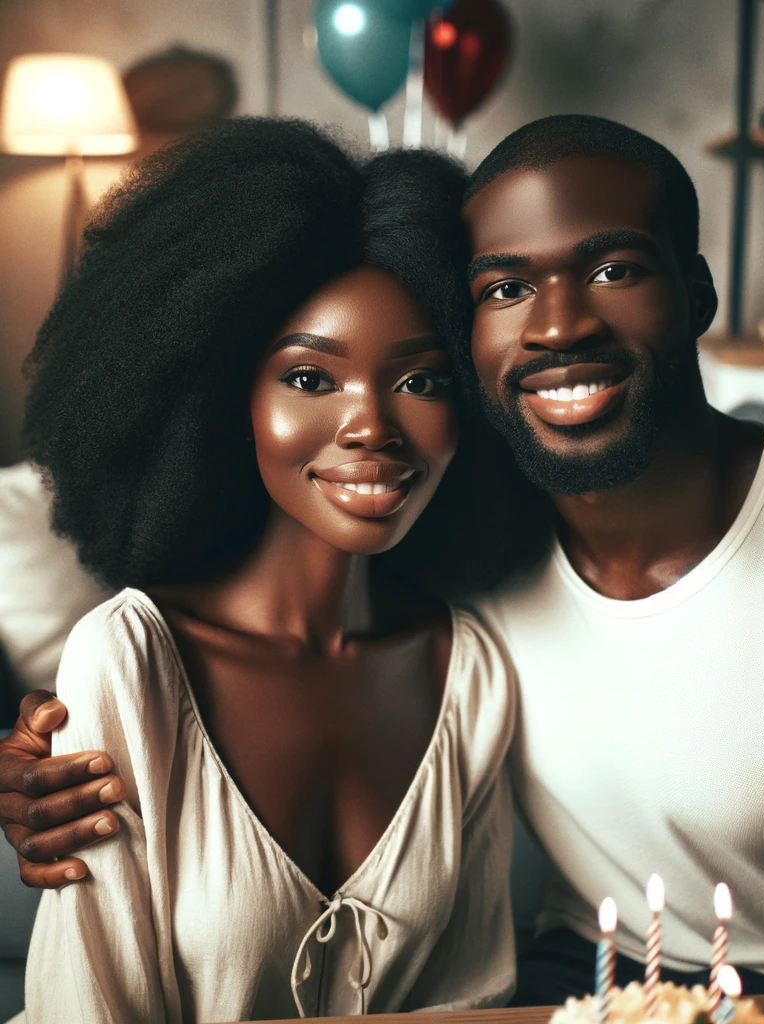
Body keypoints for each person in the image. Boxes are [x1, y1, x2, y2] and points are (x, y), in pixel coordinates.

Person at [4, 115, 764, 1000]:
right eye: (503, 286)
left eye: (615, 269)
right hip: (566, 977)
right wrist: (48, 774)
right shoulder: (471, 567)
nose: (558, 324)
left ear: (699, 290)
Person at [3, 117, 523, 1022]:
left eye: (421, 381)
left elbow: (471, 1002)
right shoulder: (130, 663)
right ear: (218, 398)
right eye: (311, 379)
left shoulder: (467, 670)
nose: (371, 428)